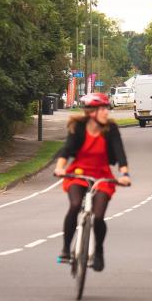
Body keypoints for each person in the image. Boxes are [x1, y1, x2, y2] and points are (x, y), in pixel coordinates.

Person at [54, 93, 131, 271]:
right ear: (91, 112)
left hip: (102, 175)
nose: (106, 112)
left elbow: (120, 152)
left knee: (98, 216)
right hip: (78, 173)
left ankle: (98, 251)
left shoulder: (111, 129)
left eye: (106, 109)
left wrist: (124, 174)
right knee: (74, 205)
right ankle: (66, 249)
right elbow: (66, 150)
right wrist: (60, 168)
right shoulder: (78, 127)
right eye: (102, 109)